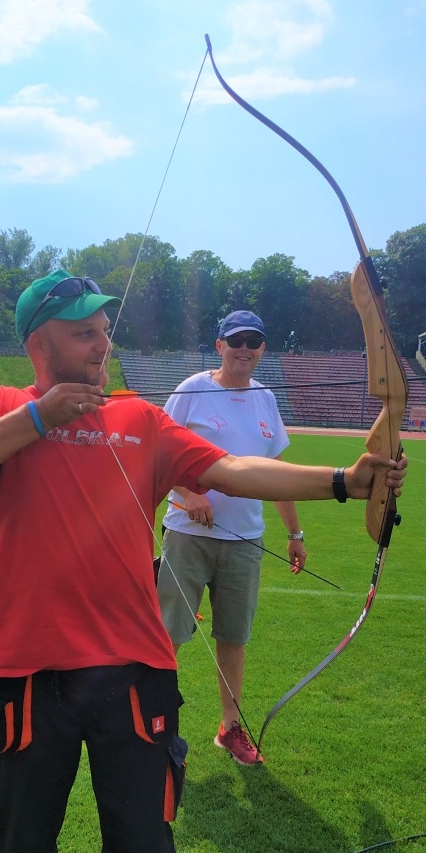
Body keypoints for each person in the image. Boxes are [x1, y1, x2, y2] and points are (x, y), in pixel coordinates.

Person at [0, 269, 406, 853]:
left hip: (132, 670)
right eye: (84, 331)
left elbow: (229, 470)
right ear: (39, 342)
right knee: (22, 839)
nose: (102, 342)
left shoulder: (140, 420)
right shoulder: (6, 408)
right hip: (22, 666)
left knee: (147, 838)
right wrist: (42, 416)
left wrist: (342, 483)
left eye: (105, 329)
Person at [157, 310, 304, 766]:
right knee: (169, 635)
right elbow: (158, 453)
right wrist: (186, 493)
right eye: (236, 340)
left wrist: (294, 532)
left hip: (244, 540)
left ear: (263, 349)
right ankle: (153, 724)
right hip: (187, 535)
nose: (245, 348)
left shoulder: (265, 399)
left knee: (233, 638)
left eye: (254, 341)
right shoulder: (192, 390)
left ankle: (231, 728)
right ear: (219, 345)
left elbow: (276, 474)